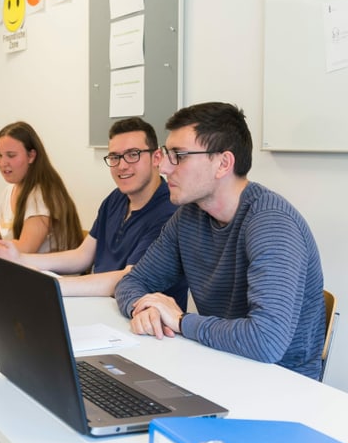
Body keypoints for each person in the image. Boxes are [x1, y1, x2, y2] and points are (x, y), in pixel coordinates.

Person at [115, 102, 325, 379]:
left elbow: (266, 341)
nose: (164, 166)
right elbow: (133, 282)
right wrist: (144, 307)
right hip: (219, 364)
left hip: (279, 384)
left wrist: (179, 321)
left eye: (178, 155)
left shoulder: (272, 223)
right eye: (167, 153)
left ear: (223, 163)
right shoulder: (189, 216)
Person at [0, 117, 184, 301]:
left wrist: (55, 286)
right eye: (115, 157)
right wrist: (20, 258)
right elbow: (82, 256)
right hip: (101, 304)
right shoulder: (115, 199)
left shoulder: (169, 210)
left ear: (156, 157)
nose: (122, 165)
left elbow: (129, 278)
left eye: (133, 154)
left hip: (142, 318)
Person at [0, 121, 83, 254]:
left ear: (31, 156)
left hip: (46, 274)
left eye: (11, 155)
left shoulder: (41, 195)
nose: (3, 163)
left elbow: (24, 248)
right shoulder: (10, 190)